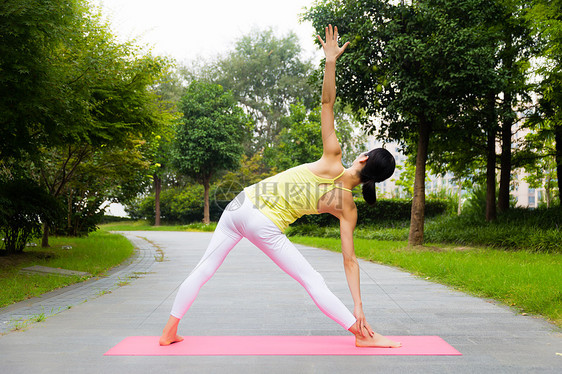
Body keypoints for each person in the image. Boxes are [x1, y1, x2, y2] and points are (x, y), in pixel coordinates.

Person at [159, 25, 401, 348]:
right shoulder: (348, 208)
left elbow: (326, 104)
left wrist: (330, 62)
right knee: (311, 280)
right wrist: (358, 306)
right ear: (374, 180)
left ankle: (168, 331)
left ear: (362, 157)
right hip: (264, 224)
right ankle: (361, 334)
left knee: (204, 268)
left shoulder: (333, 156)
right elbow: (350, 260)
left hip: (240, 204)